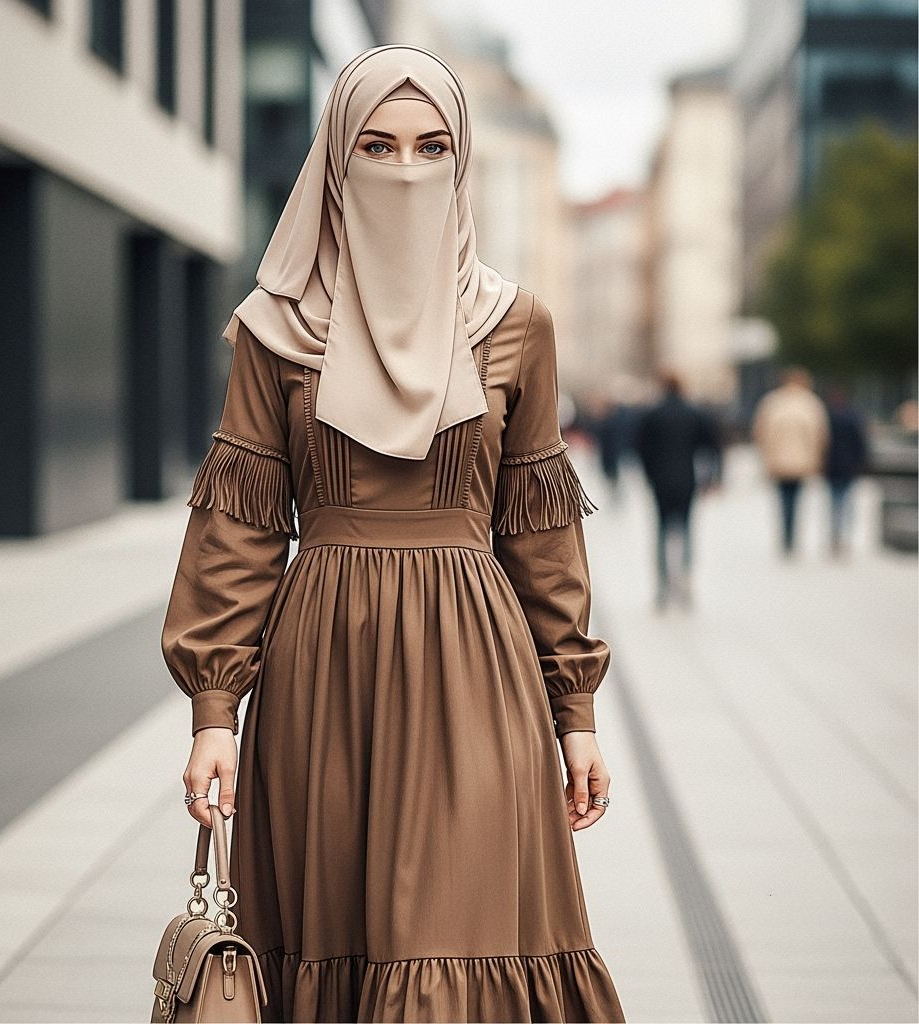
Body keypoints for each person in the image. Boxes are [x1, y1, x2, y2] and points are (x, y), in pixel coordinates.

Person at [159, 45, 625, 1023]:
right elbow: (239, 528)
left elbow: (540, 536)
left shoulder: (516, 325)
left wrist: (573, 710)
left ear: (460, 167)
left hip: (477, 679)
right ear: (334, 158)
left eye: (430, 147)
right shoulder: (276, 328)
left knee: (455, 934)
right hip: (321, 679)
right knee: (337, 938)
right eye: (375, 145)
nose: (404, 170)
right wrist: (213, 710)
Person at [632, 371, 723, 610]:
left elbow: (640, 449)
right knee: (685, 531)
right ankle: (685, 582)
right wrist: (712, 477)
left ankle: (663, 587)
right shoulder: (693, 412)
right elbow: (713, 445)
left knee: (661, 533)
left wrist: (649, 475)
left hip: (661, 482)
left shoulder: (652, 414)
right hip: (686, 480)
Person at [751, 366, 831, 556]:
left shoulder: (772, 402)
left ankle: (786, 535)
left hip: (778, 461)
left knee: (783, 499)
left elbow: (761, 432)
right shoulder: (811, 404)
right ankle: (791, 535)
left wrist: (766, 457)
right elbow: (819, 436)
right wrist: (817, 459)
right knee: (796, 499)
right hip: (801, 461)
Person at [822, 386, 870, 557]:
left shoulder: (827, 418)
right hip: (849, 466)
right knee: (847, 503)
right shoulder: (853, 418)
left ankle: (836, 537)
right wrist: (861, 463)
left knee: (835, 503)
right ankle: (845, 538)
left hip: (832, 466)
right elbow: (861, 443)